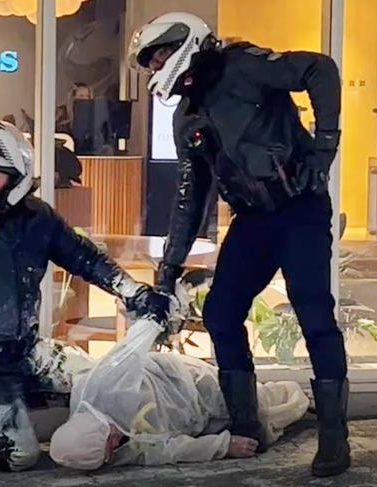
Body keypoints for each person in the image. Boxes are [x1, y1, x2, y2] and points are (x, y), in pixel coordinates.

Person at [127, 12, 349, 477]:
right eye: (150, 61)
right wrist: (166, 273)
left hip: (301, 209)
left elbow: (319, 69)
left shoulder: (242, 64)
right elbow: (191, 200)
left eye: (160, 55)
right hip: (252, 220)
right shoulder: (187, 117)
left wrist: (325, 149)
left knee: (314, 312)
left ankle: (334, 436)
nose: (156, 67)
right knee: (221, 313)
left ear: (184, 43)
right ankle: (245, 427)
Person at [0, 117, 172, 472]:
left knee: (104, 385)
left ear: (16, 181)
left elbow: (84, 257)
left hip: (26, 349)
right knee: (19, 456)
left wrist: (135, 293)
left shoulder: (38, 218)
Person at [49, 348, 309, 470]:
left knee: (262, 406)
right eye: (108, 452)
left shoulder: (100, 388)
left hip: (188, 383)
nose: (117, 442)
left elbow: (132, 353)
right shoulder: (105, 443)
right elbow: (158, 450)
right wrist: (223, 445)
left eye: (109, 439)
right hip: (189, 420)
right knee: (257, 430)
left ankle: (305, 395)